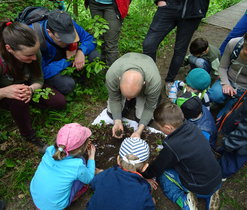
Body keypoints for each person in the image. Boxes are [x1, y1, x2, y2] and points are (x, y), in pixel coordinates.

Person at [142, 103, 222, 210]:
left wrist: (145, 175)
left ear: (168, 127)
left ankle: (185, 202)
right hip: (216, 178)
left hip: (200, 187)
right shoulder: (192, 127)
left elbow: (157, 167)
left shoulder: (173, 146)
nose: (160, 130)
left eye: (160, 128)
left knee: (163, 174)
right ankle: (211, 195)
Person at [0, 20, 66, 147]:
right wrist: (4, 92)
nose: (34, 58)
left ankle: (25, 106)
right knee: (19, 99)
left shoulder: (33, 51)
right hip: (5, 93)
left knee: (59, 102)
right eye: (29, 55)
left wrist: (31, 89)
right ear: (9, 49)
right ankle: (28, 134)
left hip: (26, 86)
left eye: (35, 53)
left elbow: (38, 79)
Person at [143, 0, 210, 94]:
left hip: (194, 10)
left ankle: (170, 81)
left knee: (180, 49)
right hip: (169, 6)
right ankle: (150, 78)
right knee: (149, 44)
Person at [30, 9, 100, 95]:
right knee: (67, 85)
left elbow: (90, 39)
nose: (67, 42)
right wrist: (69, 61)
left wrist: (80, 51)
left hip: (69, 55)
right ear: (49, 32)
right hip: (52, 66)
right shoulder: (34, 38)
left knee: (95, 55)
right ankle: (72, 81)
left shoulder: (67, 25)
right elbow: (41, 71)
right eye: (62, 39)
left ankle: (83, 80)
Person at [30, 123, 96, 210]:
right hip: (55, 206)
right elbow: (89, 178)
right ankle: (76, 194)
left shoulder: (50, 150)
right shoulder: (77, 165)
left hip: (36, 195)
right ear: (80, 149)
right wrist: (91, 158)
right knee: (82, 175)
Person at [86, 137, 155, 210]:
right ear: (145, 167)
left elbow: (93, 183)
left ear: (118, 159)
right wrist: (152, 203)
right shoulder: (143, 190)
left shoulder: (107, 174)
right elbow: (149, 207)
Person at [106, 52, 162, 139]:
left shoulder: (154, 82)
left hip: (147, 63)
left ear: (143, 84)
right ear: (119, 79)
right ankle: (130, 98)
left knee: (141, 120)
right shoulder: (112, 75)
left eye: (131, 97)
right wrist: (117, 121)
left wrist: (139, 131)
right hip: (127, 59)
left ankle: (151, 96)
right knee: (112, 113)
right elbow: (114, 99)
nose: (128, 99)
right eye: (126, 96)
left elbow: (149, 107)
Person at [208, 33, 247, 118]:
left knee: (223, 118)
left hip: (244, 90)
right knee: (214, 94)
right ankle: (220, 102)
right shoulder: (234, 44)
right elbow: (222, 67)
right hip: (229, 79)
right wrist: (225, 83)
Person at [85, 0, 130, 66]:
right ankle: (103, 68)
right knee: (101, 39)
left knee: (111, 43)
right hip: (94, 4)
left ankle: (112, 73)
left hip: (114, 5)